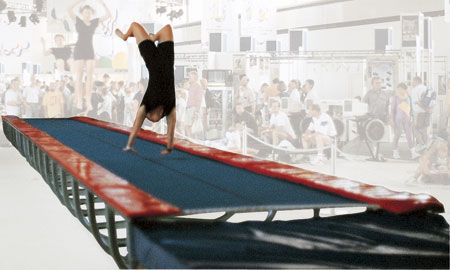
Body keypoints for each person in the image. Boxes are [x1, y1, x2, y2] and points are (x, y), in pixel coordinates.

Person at [115, 23, 176, 155]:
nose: (160, 114)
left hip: (152, 57)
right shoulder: (169, 105)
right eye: (160, 116)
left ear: (152, 111)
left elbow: (136, 124)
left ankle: (126, 37)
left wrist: (129, 145)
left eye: (156, 115)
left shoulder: (148, 101)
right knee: (167, 28)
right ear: (162, 114)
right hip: (167, 56)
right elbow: (171, 128)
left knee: (134, 25)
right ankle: (152, 38)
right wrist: (169, 148)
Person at [68, 0, 111, 115]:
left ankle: (87, 100)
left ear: (91, 14)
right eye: (85, 12)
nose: (87, 14)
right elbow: (69, 10)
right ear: (82, 13)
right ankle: (79, 100)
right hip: (79, 49)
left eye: (89, 12)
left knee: (90, 77)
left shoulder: (94, 22)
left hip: (89, 49)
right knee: (79, 76)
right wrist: (79, 2)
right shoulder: (78, 21)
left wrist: (103, 4)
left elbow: (108, 15)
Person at [390, 83, 419, 159]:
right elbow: (392, 110)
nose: (399, 90)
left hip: (407, 119)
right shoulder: (395, 98)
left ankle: (413, 153)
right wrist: (391, 120)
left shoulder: (409, 97)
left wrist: (413, 118)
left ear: (405, 89)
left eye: (401, 89)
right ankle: (395, 152)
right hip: (398, 120)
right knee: (397, 135)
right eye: (398, 89)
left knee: (409, 136)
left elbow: (412, 109)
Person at [185, 71, 203, 138]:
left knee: (195, 128)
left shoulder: (198, 86)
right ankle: (190, 141)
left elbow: (199, 99)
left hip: (193, 108)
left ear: (195, 77)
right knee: (188, 126)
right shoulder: (191, 86)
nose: (189, 77)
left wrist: (197, 112)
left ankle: (195, 142)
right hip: (189, 108)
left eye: (190, 76)